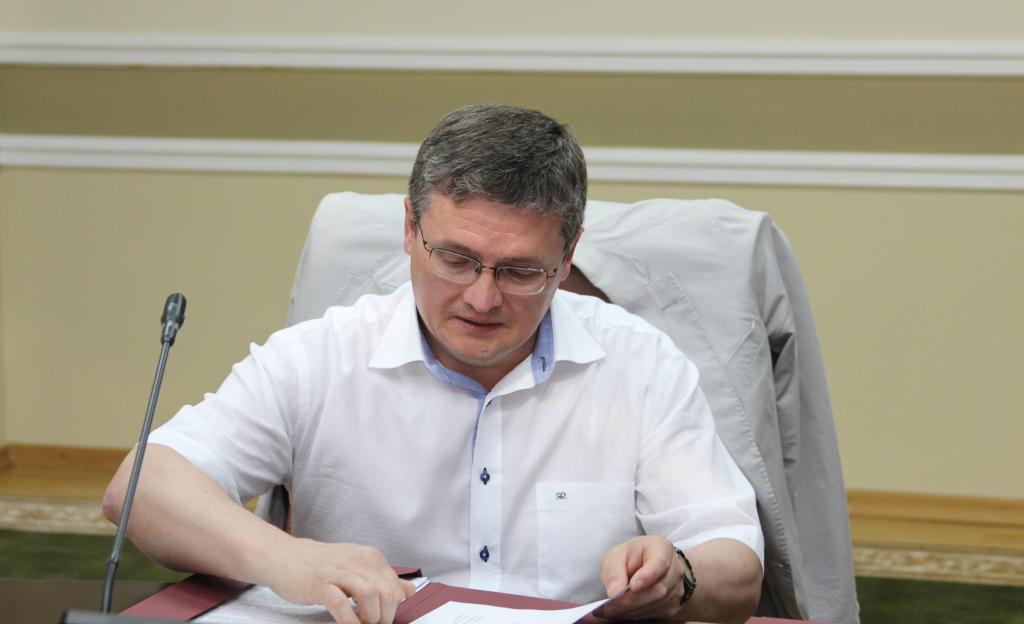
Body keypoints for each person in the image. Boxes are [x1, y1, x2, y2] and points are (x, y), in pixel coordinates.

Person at [104, 104, 764, 624]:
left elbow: (735, 561)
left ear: (567, 259)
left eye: (521, 271)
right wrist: (287, 557)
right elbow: (142, 487)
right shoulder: (322, 356)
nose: (482, 298)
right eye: (455, 259)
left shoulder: (640, 362)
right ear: (408, 230)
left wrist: (680, 576)